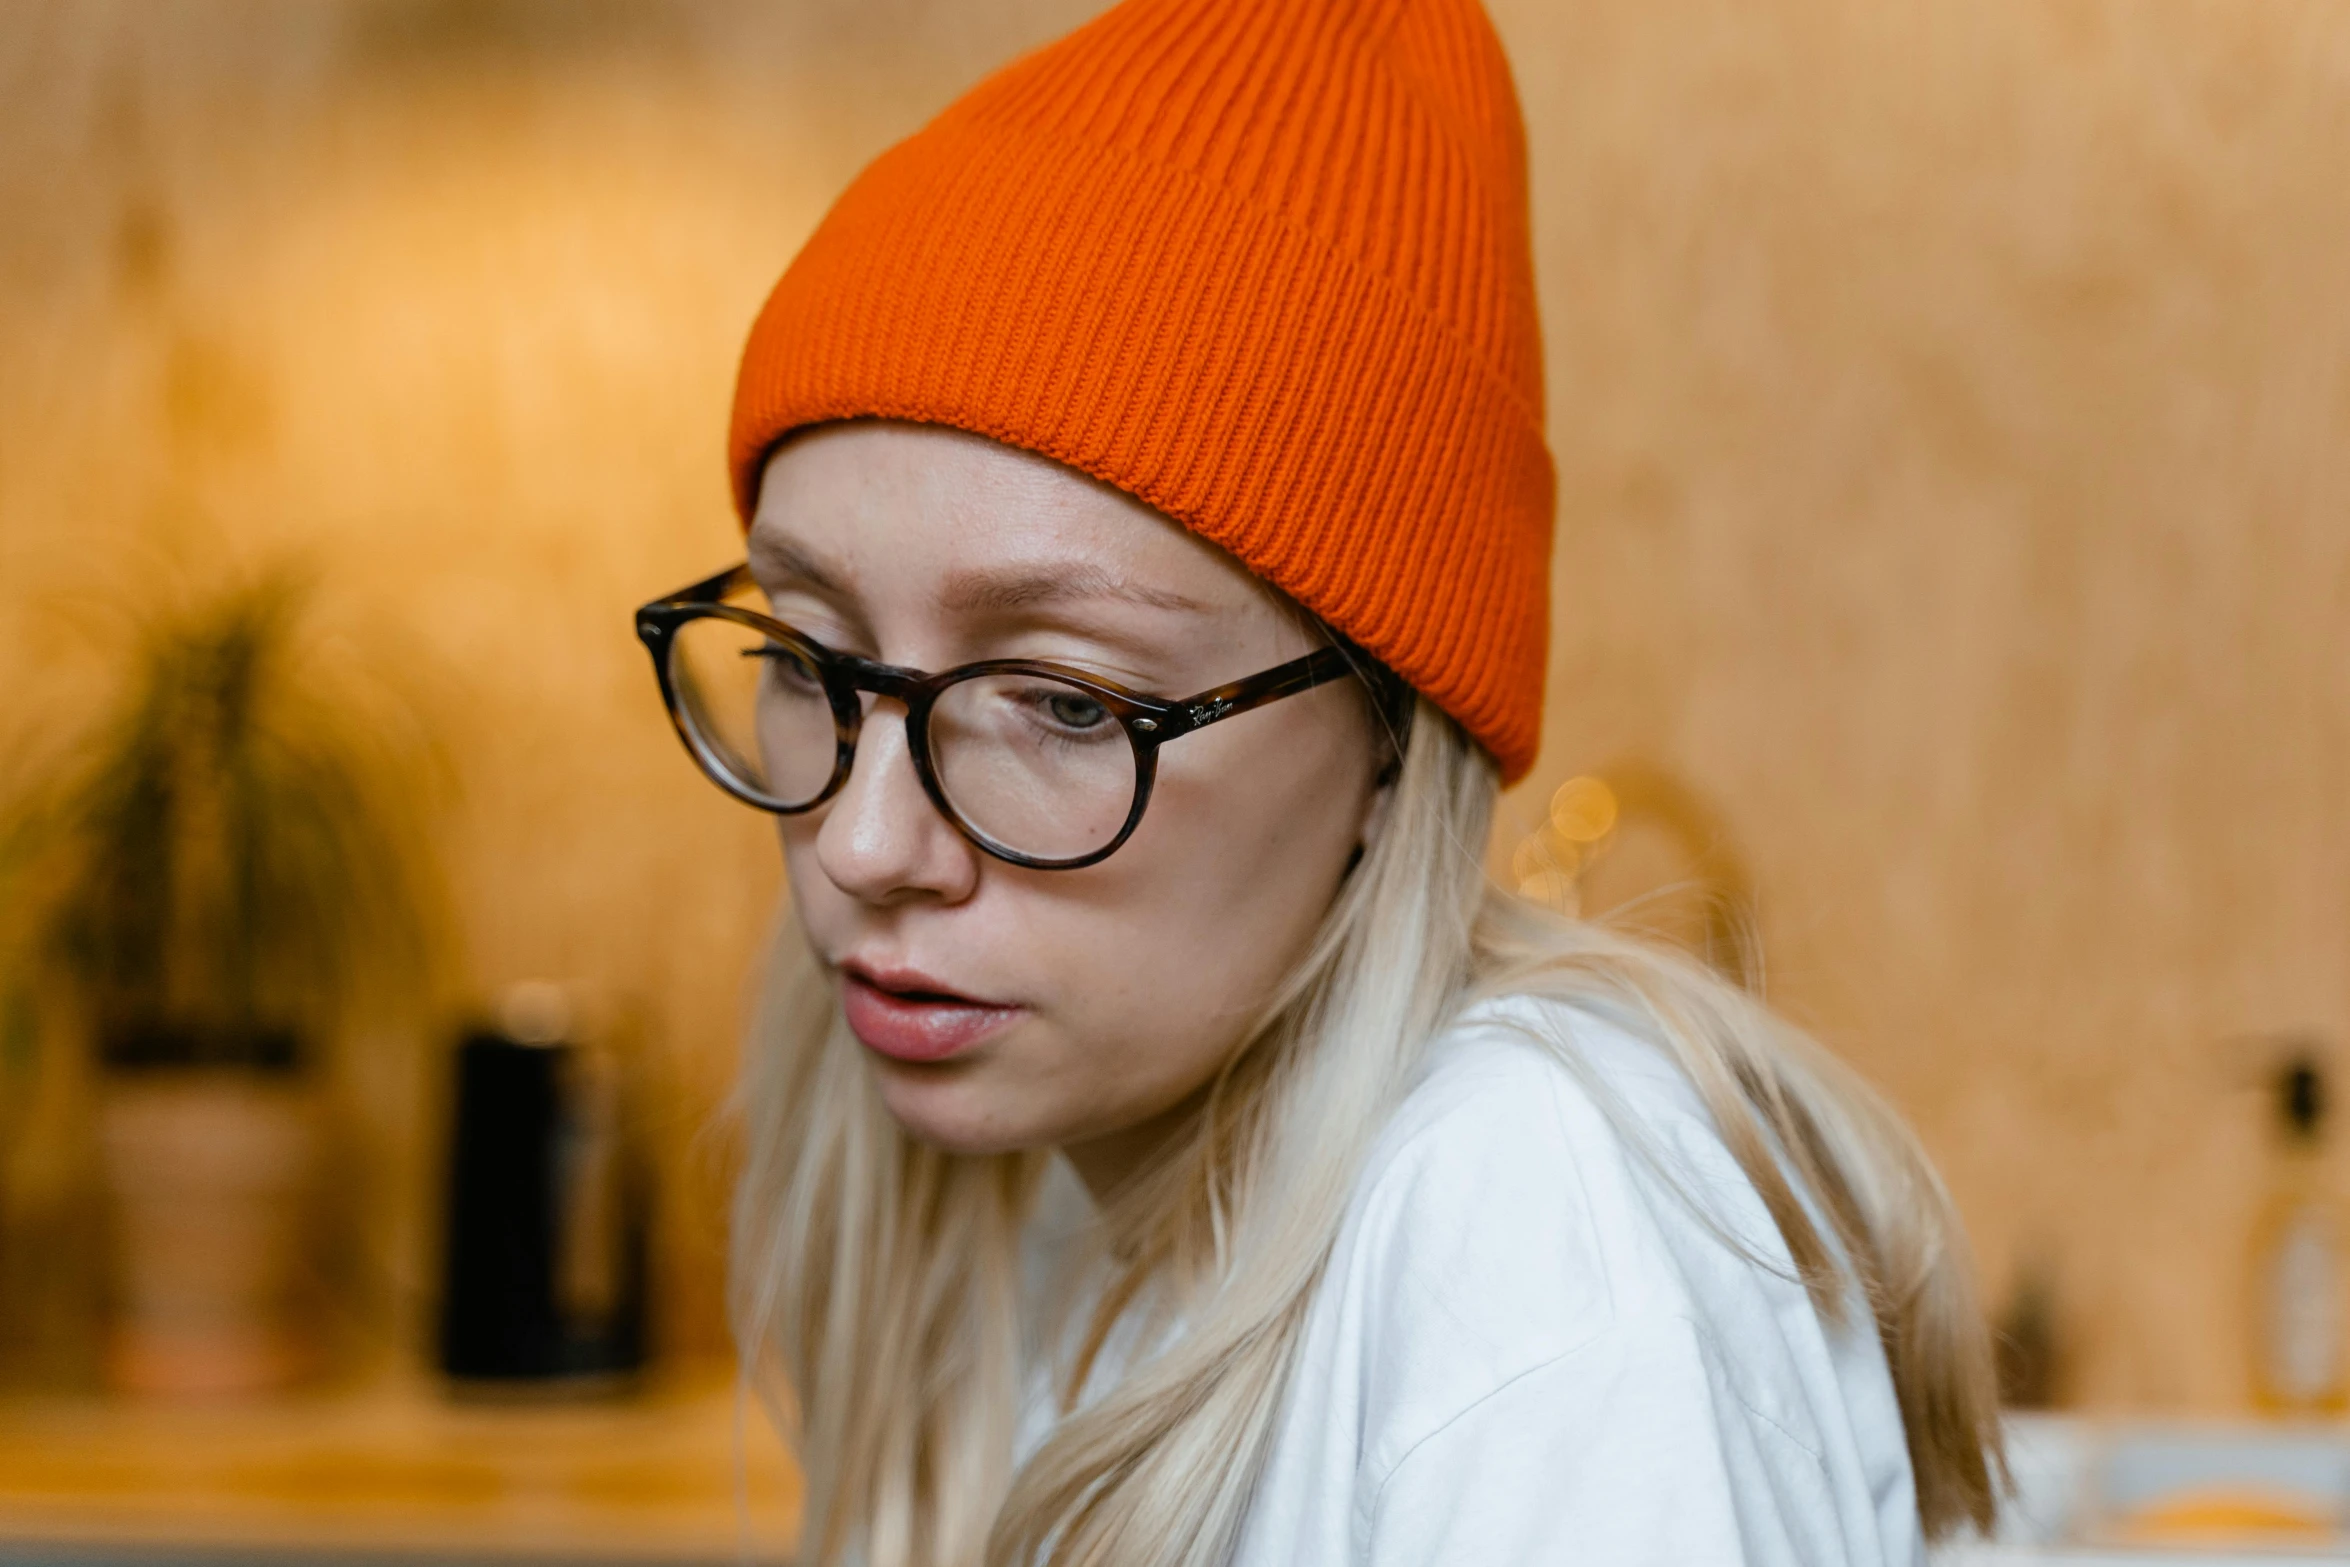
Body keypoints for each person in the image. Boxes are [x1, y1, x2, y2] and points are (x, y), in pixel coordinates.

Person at [633, 0, 2003, 1561]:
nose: (867, 841)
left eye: (1066, 704)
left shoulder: (1523, 1226)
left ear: (1383, 747)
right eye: (810, 662)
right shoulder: (1059, 1205)